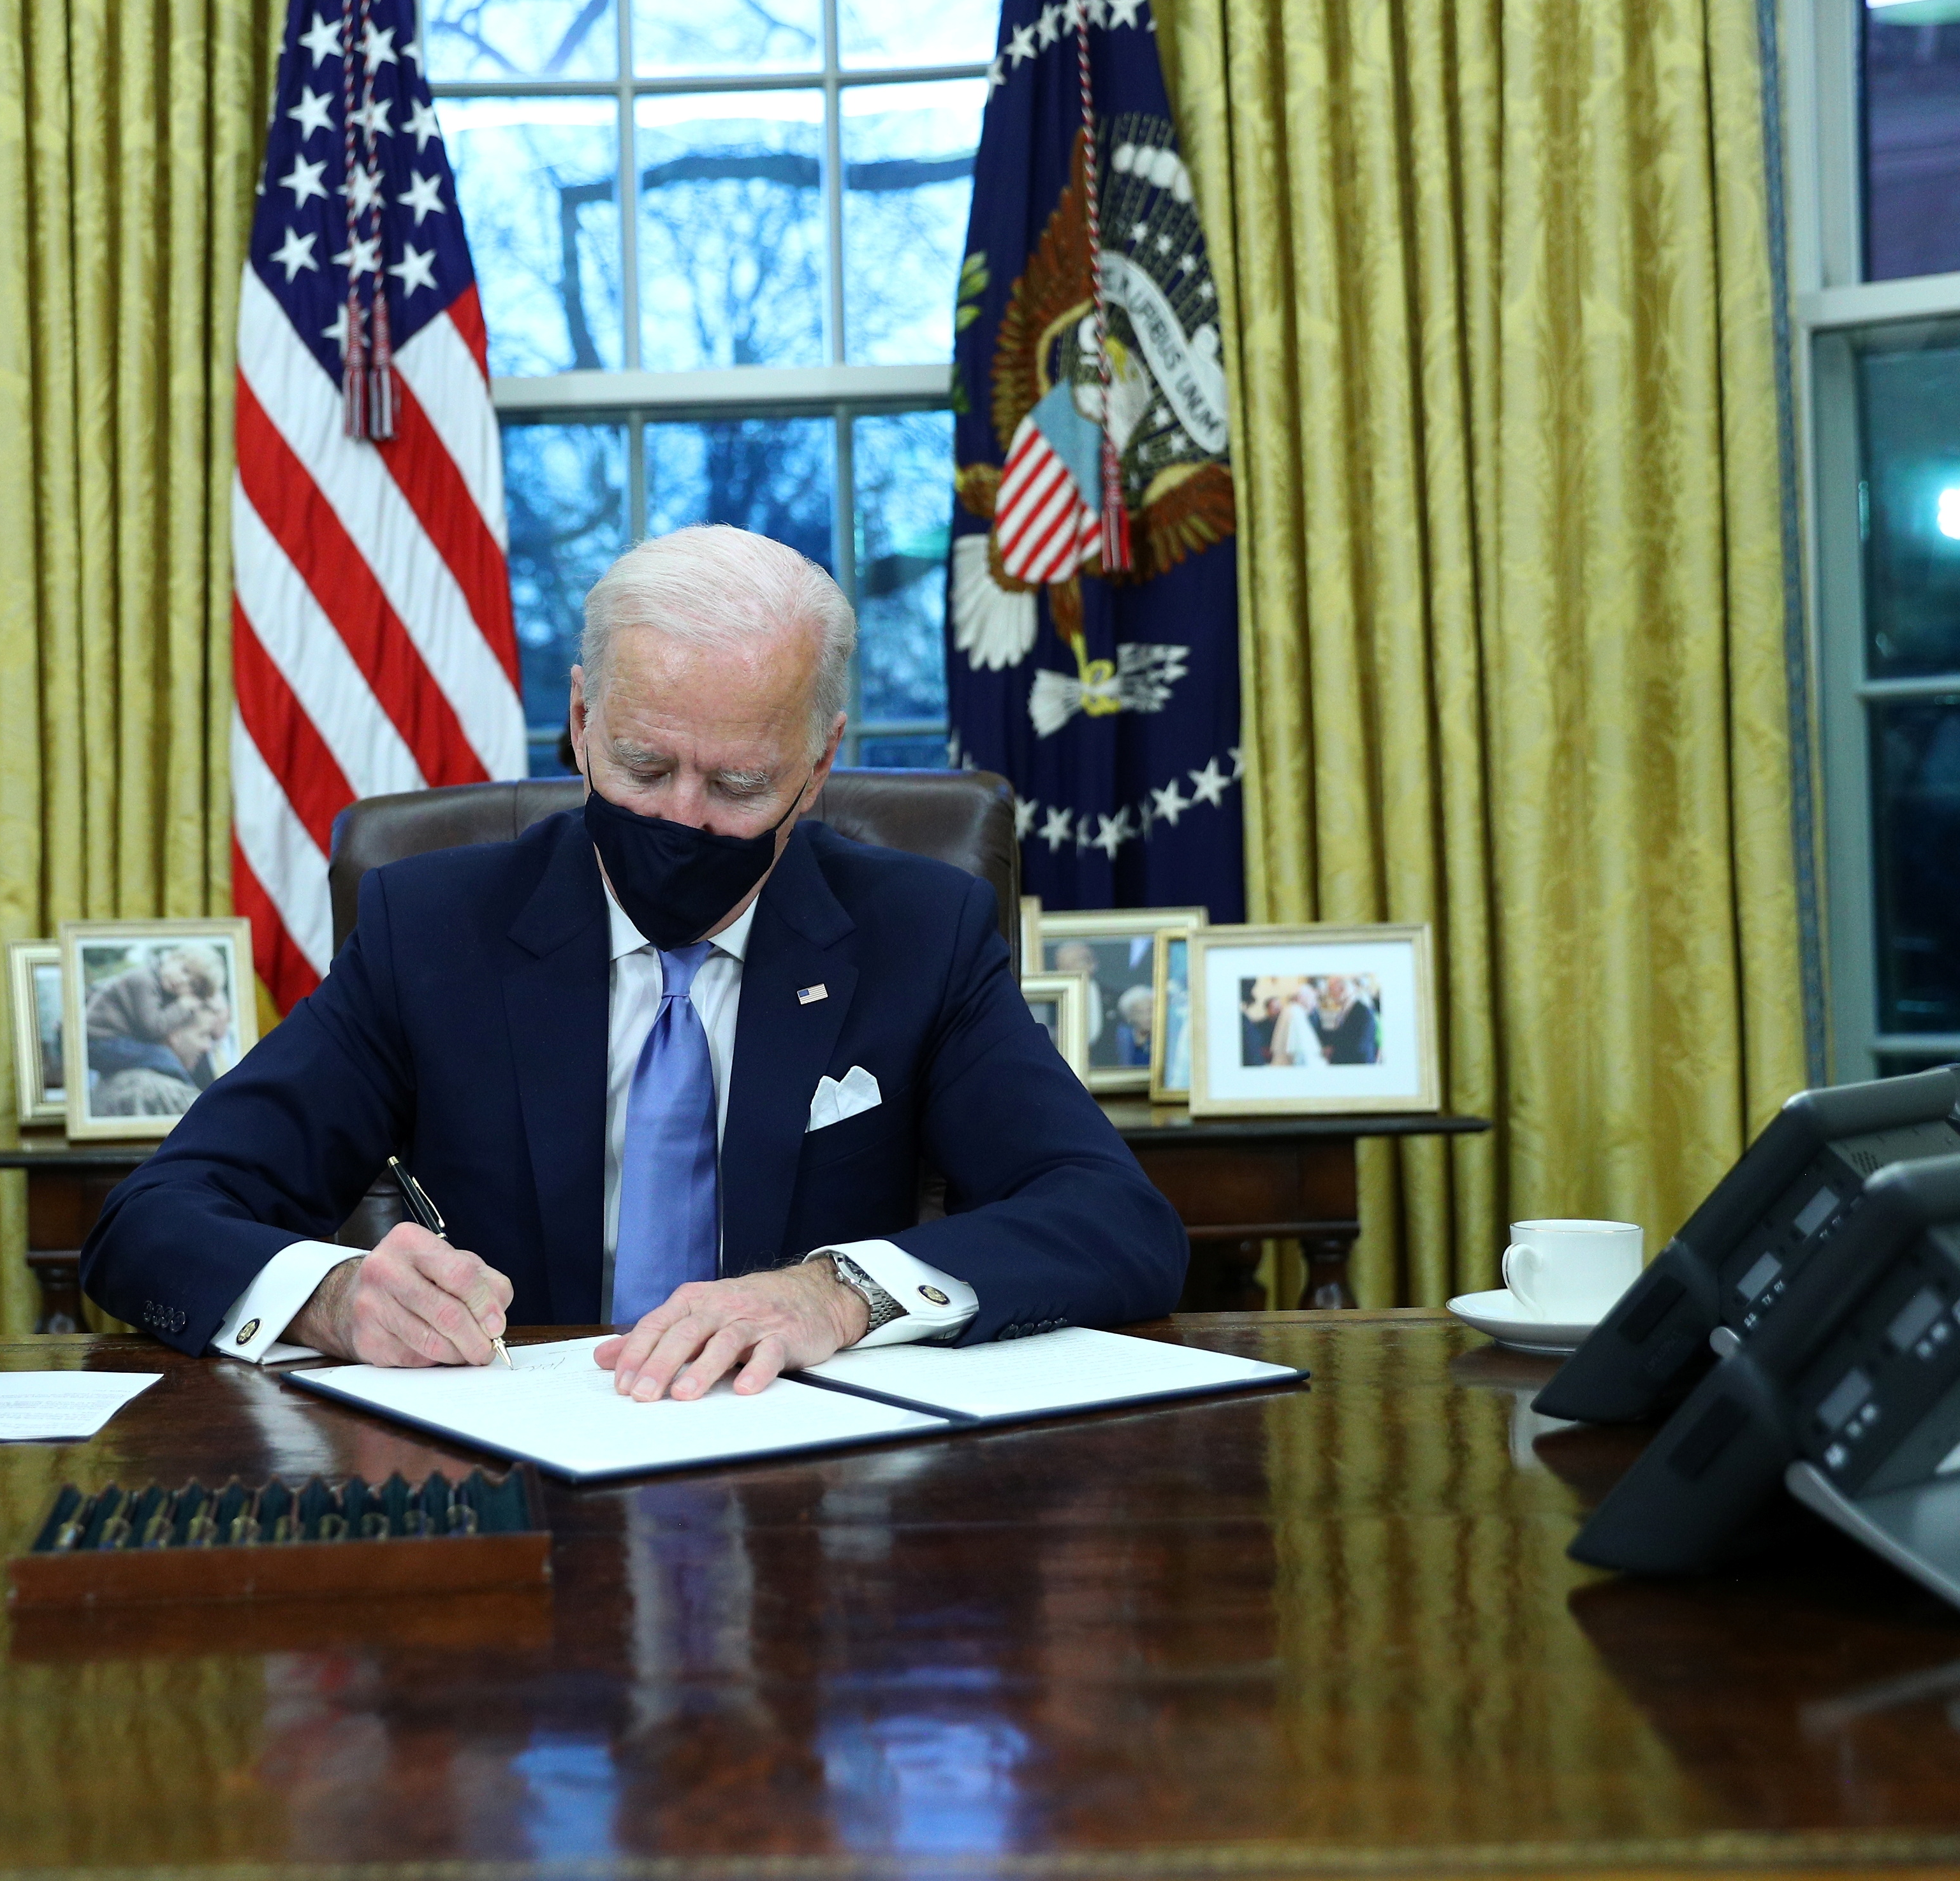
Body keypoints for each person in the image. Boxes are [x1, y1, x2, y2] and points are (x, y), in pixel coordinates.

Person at [80, 525, 1188, 1402]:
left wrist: (840, 1290)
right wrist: (328, 1297)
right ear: (579, 718)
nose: (683, 817)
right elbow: (157, 1217)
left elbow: (1113, 1218)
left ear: (819, 764)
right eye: (645, 763)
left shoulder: (918, 933)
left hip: (813, 1492)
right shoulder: (436, 928)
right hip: (516, 1490)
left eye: (742, 783)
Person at [84, 944, 233, 1120]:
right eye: (184, 970)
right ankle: (185, 1086)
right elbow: (152, 1028)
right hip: (98, 1040)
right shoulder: (143, 980)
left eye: (192, 984)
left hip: (106, 1041)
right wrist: (183, 1006)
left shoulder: (159, 984)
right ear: (171, 958)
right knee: (162, 1057)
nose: (183, 981)